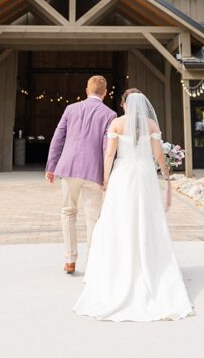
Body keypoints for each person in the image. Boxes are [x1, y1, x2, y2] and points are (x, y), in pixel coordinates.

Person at [74, 91, 194, 321]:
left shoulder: (116, 123)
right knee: (147, 217)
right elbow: (158, 154)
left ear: (123, 104)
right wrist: (165, 170)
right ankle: (149, 263)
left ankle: (118, 265)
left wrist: (106, 178)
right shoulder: (150, 125)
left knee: (119, 218)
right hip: (145, 174)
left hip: (123, 174)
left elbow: (110, 153)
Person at [45, 75, 117, 275]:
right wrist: (106, 176)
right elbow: (107, 147)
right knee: (93, 218)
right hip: (94, 172)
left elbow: (58, 138)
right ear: (105, 92)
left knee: (68, 212)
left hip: (69, 169)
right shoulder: (110, 114)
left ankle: (70, 260)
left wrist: (51, 166)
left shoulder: (71, 109)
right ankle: (93, 262)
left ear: (87, 90)